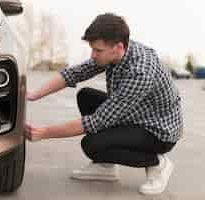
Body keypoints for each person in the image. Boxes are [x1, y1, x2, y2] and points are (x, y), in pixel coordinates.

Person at [25, 13, 183, 195]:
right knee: (86, 96)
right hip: (138, 114)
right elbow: (75, 73)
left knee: (91, 144)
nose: (93, 55)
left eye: (97, 50)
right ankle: (106, 166)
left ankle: (157, 163)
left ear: (118, 47)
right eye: (92, 49)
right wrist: (35, 95)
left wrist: (43, 133)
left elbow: (96, 122)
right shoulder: (117, 51)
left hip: (158, 132)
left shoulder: (140, 72)